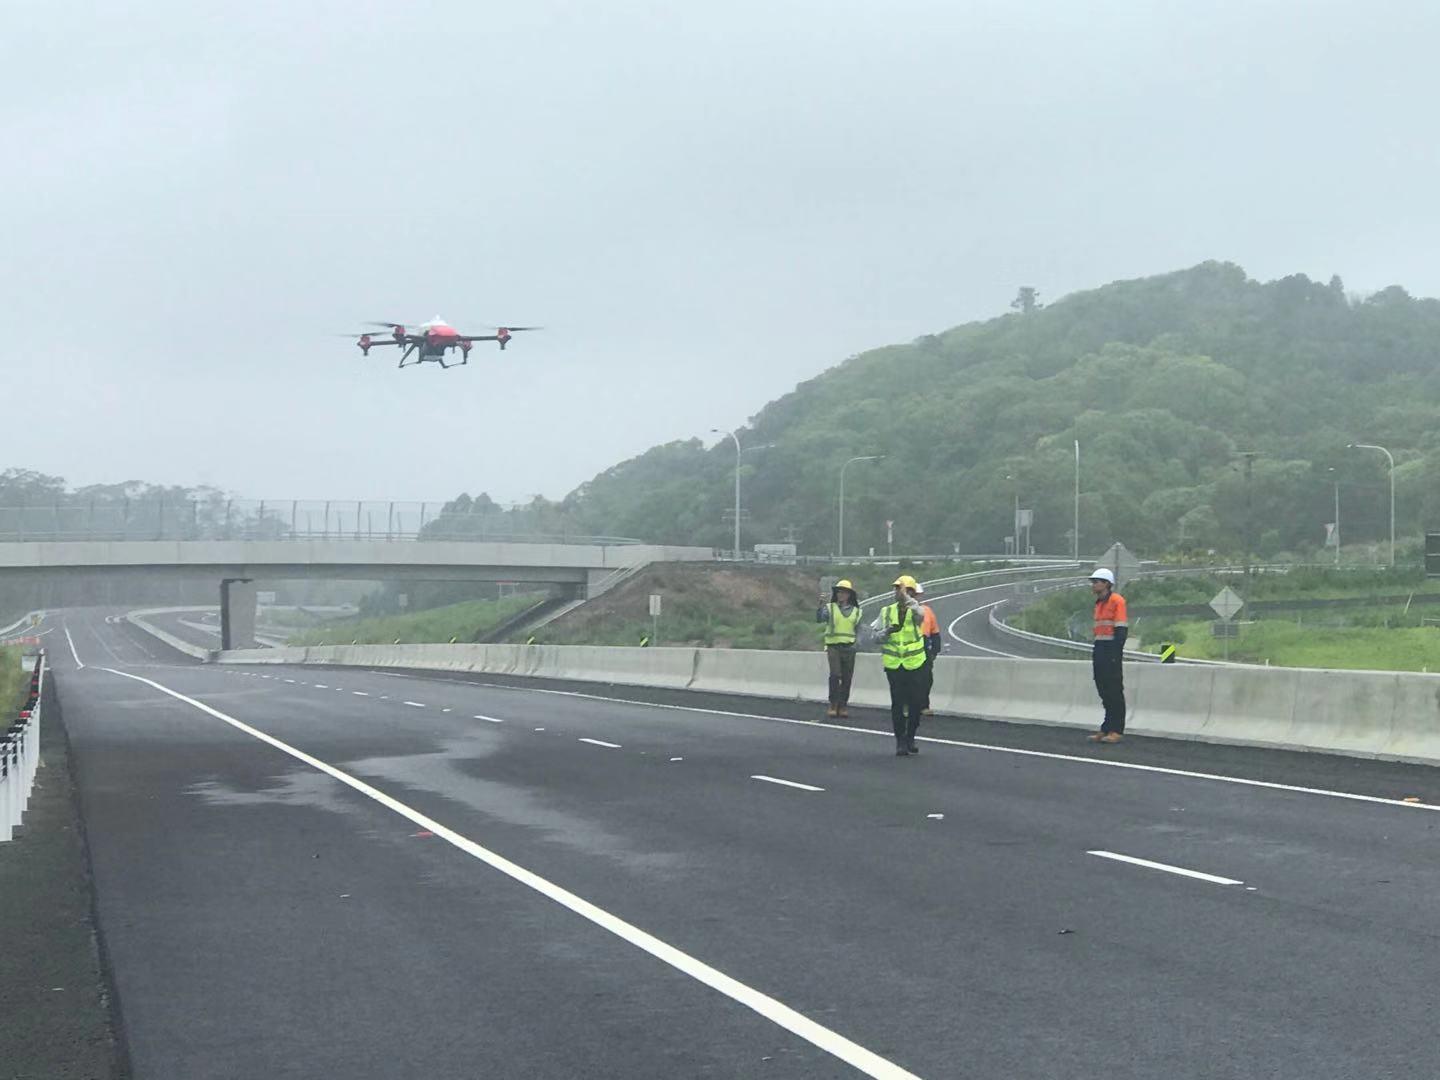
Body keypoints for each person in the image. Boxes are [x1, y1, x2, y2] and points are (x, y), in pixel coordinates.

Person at [874, 574, 927, 755]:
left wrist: (909, 600)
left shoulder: (916, 609)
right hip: (894, 664)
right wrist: (884, 633)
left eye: (903, 589)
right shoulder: (886, 611)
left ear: (912, 592)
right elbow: (875, 634)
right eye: (897, 589)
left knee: (916, 703)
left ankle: (910, 736)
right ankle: (900, 741)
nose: (899, 592)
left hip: (915, 663)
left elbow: (920, 615)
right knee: (897, 703)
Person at [1087, 568, 1128, 743]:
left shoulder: (1117, 601)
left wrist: (1115, 654)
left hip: (1111, 650)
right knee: (1103, 689)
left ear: (1106, 584)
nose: (1093, 584)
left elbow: (1121, 629)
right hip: (1100, 649)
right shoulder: (1098, 603)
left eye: (1097, 581)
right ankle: (1106, 727)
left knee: (1114, 691)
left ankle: (1116, 730)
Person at [816, 579, 862, 718]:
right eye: (839, 592)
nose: (840, 595)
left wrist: (856, 644)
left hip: (849, 647)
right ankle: (833, 704)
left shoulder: (856, 611)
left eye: (843, 592)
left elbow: (859, 630)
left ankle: (843, 706)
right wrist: (821, 605)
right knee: (835, 675)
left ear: (849, 595)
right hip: (833, 646)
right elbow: (820, 619)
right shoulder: (830, 608)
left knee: (847, 677)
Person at [916, 585, 942, 715]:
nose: (917, 597)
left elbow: (935, 632)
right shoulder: (903, 610)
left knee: (926, 678)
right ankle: (907, 705)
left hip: (924, 646)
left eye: (919, 594)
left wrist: (935, 650)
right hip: (908, 648)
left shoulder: (927, 611)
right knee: (909, 679)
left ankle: (924, 706)